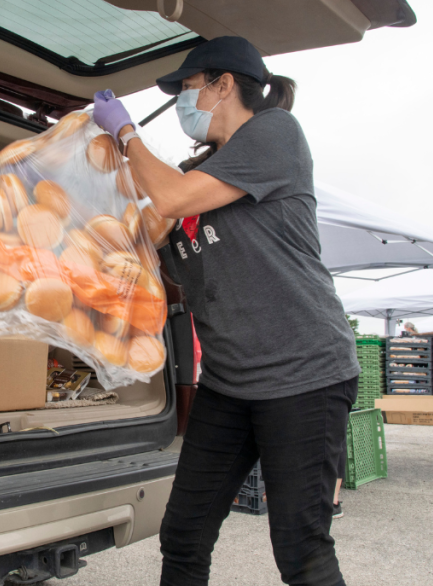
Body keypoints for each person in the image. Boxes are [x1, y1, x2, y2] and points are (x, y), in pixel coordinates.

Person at [92, 36, 359, 586]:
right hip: (229, 382)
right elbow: (153, 240)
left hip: (304, 374)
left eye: (187, 89)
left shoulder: (274, 135)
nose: (184, 104)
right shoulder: (198, 172)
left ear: (223, 85)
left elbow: (170, 201)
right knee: (183, 535)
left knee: (301, 550)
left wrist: (124, 134)